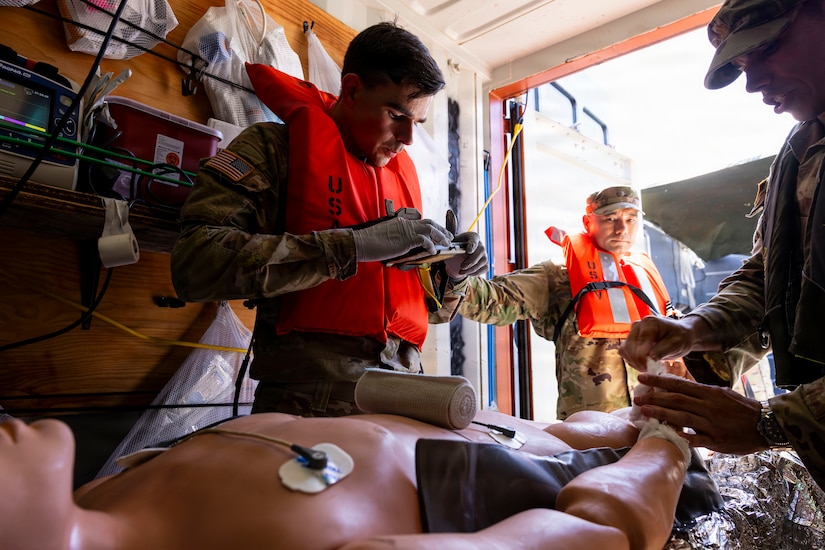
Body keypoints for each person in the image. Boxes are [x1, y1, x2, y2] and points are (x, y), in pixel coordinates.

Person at [170, 22, 487, 417]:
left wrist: (451, 273)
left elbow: (425, 312)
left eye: (416, 124)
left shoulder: (397, 177)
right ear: (352, 90)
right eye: (396, 115)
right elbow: (193, 264)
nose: (408, 139)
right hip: (311, 403)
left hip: (406, 400)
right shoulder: (273, 149)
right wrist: (353, 247)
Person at [619, 0, 825, 491]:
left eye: (767, 49)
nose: (753, 85)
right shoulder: (799, 155)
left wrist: (773, 422)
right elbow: (766, 279)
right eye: (742, 67)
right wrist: (693, 328)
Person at [1, 408, 693, 550]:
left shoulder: (99, 491)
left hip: (482, 424)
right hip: (571, 478)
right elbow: (602, 534)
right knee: (593, 431)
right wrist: (664, 447)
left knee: (584, 421)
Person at [458, 186, 684, 419]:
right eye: (610, 218)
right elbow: (492, 300)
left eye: (630, 219)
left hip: (656, 420)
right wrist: (453, 274)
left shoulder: (645, 274)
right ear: (588, 223)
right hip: (594, 431)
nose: (622, 229)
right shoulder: (557, 274)